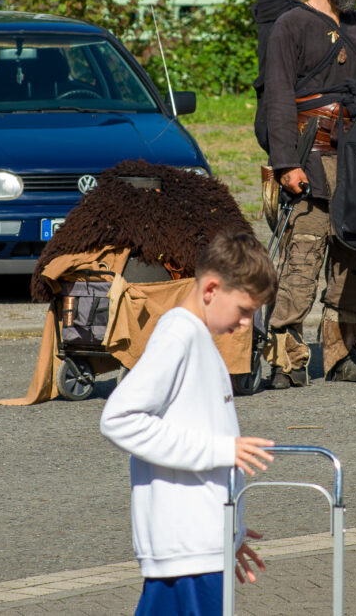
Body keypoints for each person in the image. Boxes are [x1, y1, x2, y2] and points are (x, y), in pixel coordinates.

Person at [99, 232, 279, 615]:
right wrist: (221, 451)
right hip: (188, 551)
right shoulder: (179, 335)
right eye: (245, 309)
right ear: (212, 288)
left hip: (198, 546)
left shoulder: (195, 336)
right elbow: (119, 419)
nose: (247, 323)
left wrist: (229, 533)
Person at [261, 0, 356, 388]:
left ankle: (341, 355)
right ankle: (285, 359)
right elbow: (277, 97)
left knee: (354, 263)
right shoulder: (291, 24)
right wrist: (286, 162)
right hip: (310, 161)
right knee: (302, 262)